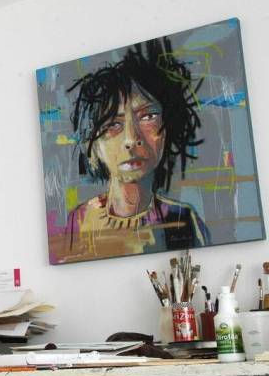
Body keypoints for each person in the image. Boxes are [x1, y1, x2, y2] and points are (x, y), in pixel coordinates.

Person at [61, 37, 210, 262]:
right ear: (94, 145)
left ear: (168, 126)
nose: (131, 139)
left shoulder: (182, 219)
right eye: (113, 124)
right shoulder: (79, 221)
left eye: (148, 116)